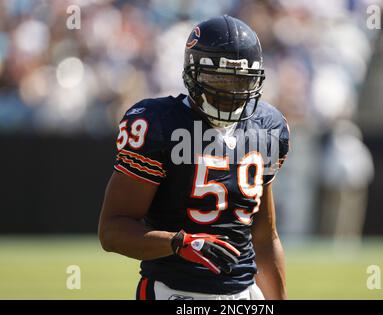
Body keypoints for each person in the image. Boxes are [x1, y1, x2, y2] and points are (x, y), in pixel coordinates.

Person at [98, 15, 290, 300]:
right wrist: (179, 242)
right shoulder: (159, 124)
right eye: (218, 80)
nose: (229, 93)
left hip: (246, 293)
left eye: (240, 82)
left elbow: (264, 238)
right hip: (173, 292)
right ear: (192, 74)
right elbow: (112, 230)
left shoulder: (267, 126)